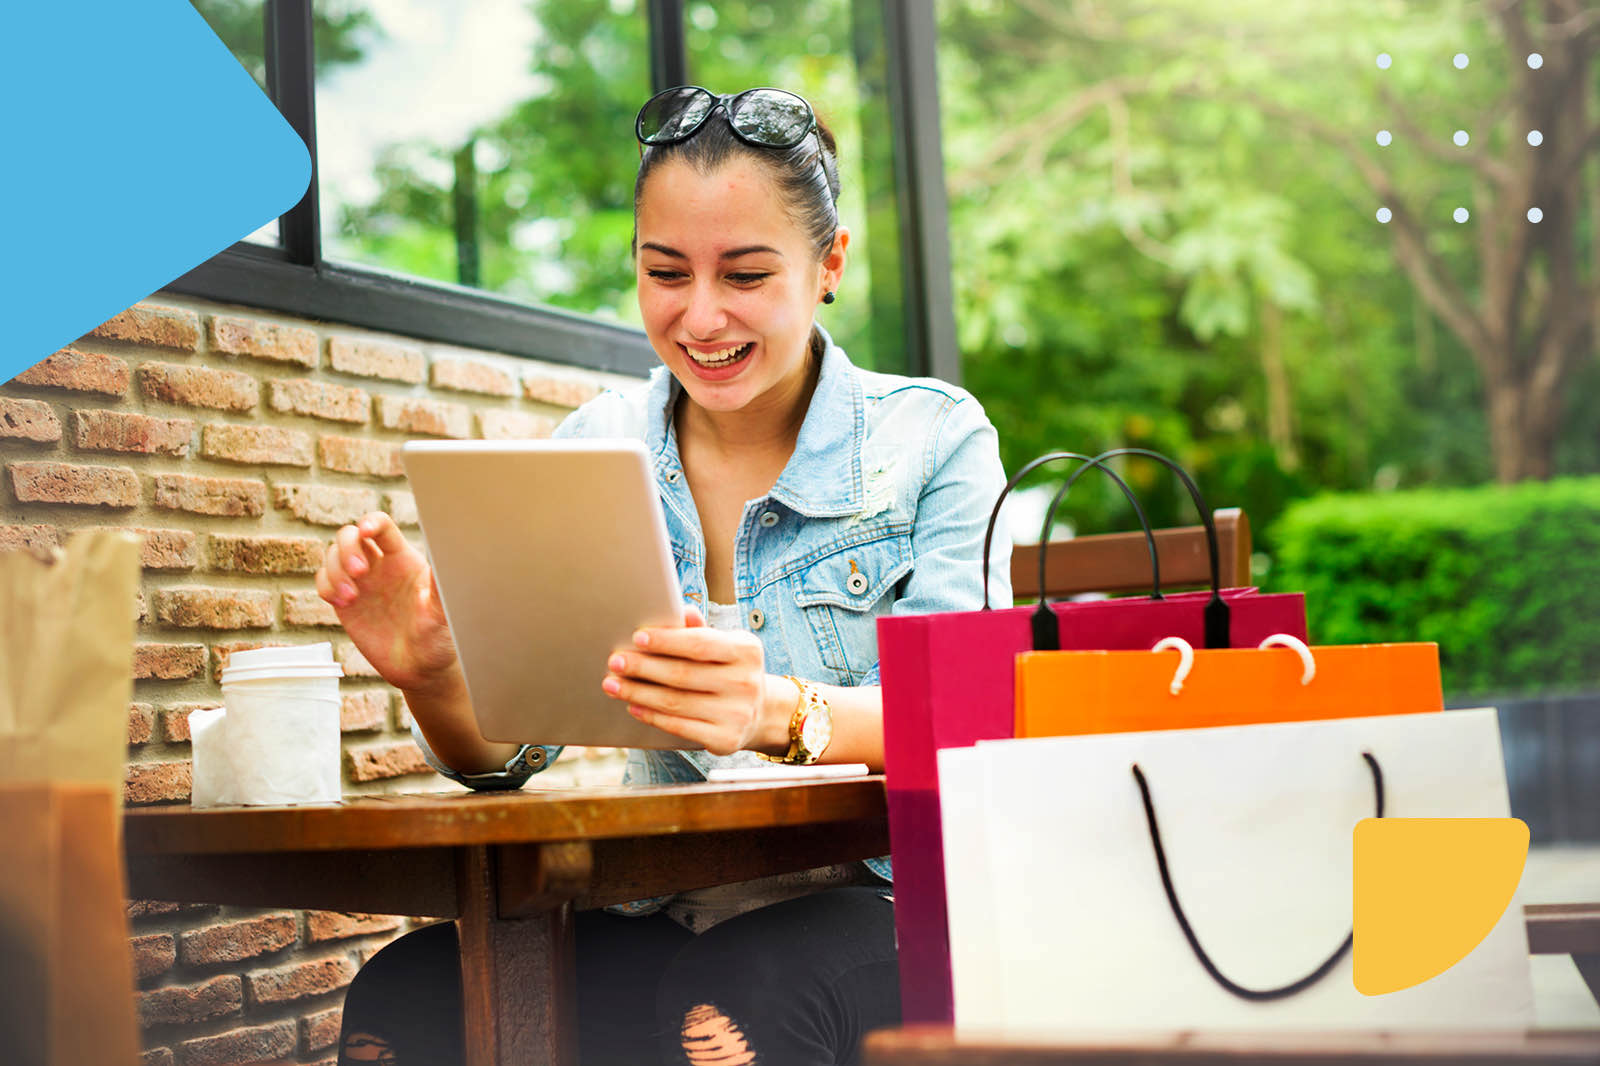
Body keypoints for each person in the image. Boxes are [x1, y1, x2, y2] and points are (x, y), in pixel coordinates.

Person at [320, 85, 1011, 1066]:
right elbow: (512, 754)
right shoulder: (595, 447)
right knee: (408, 990)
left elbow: (967, 722)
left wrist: (780, 711)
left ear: (829, 266)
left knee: (725, 1005)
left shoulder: (931, 437)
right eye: (664, 271)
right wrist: (433, 675)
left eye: (744, 273)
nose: (700, 315)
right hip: (669, 910)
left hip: (891, 911)